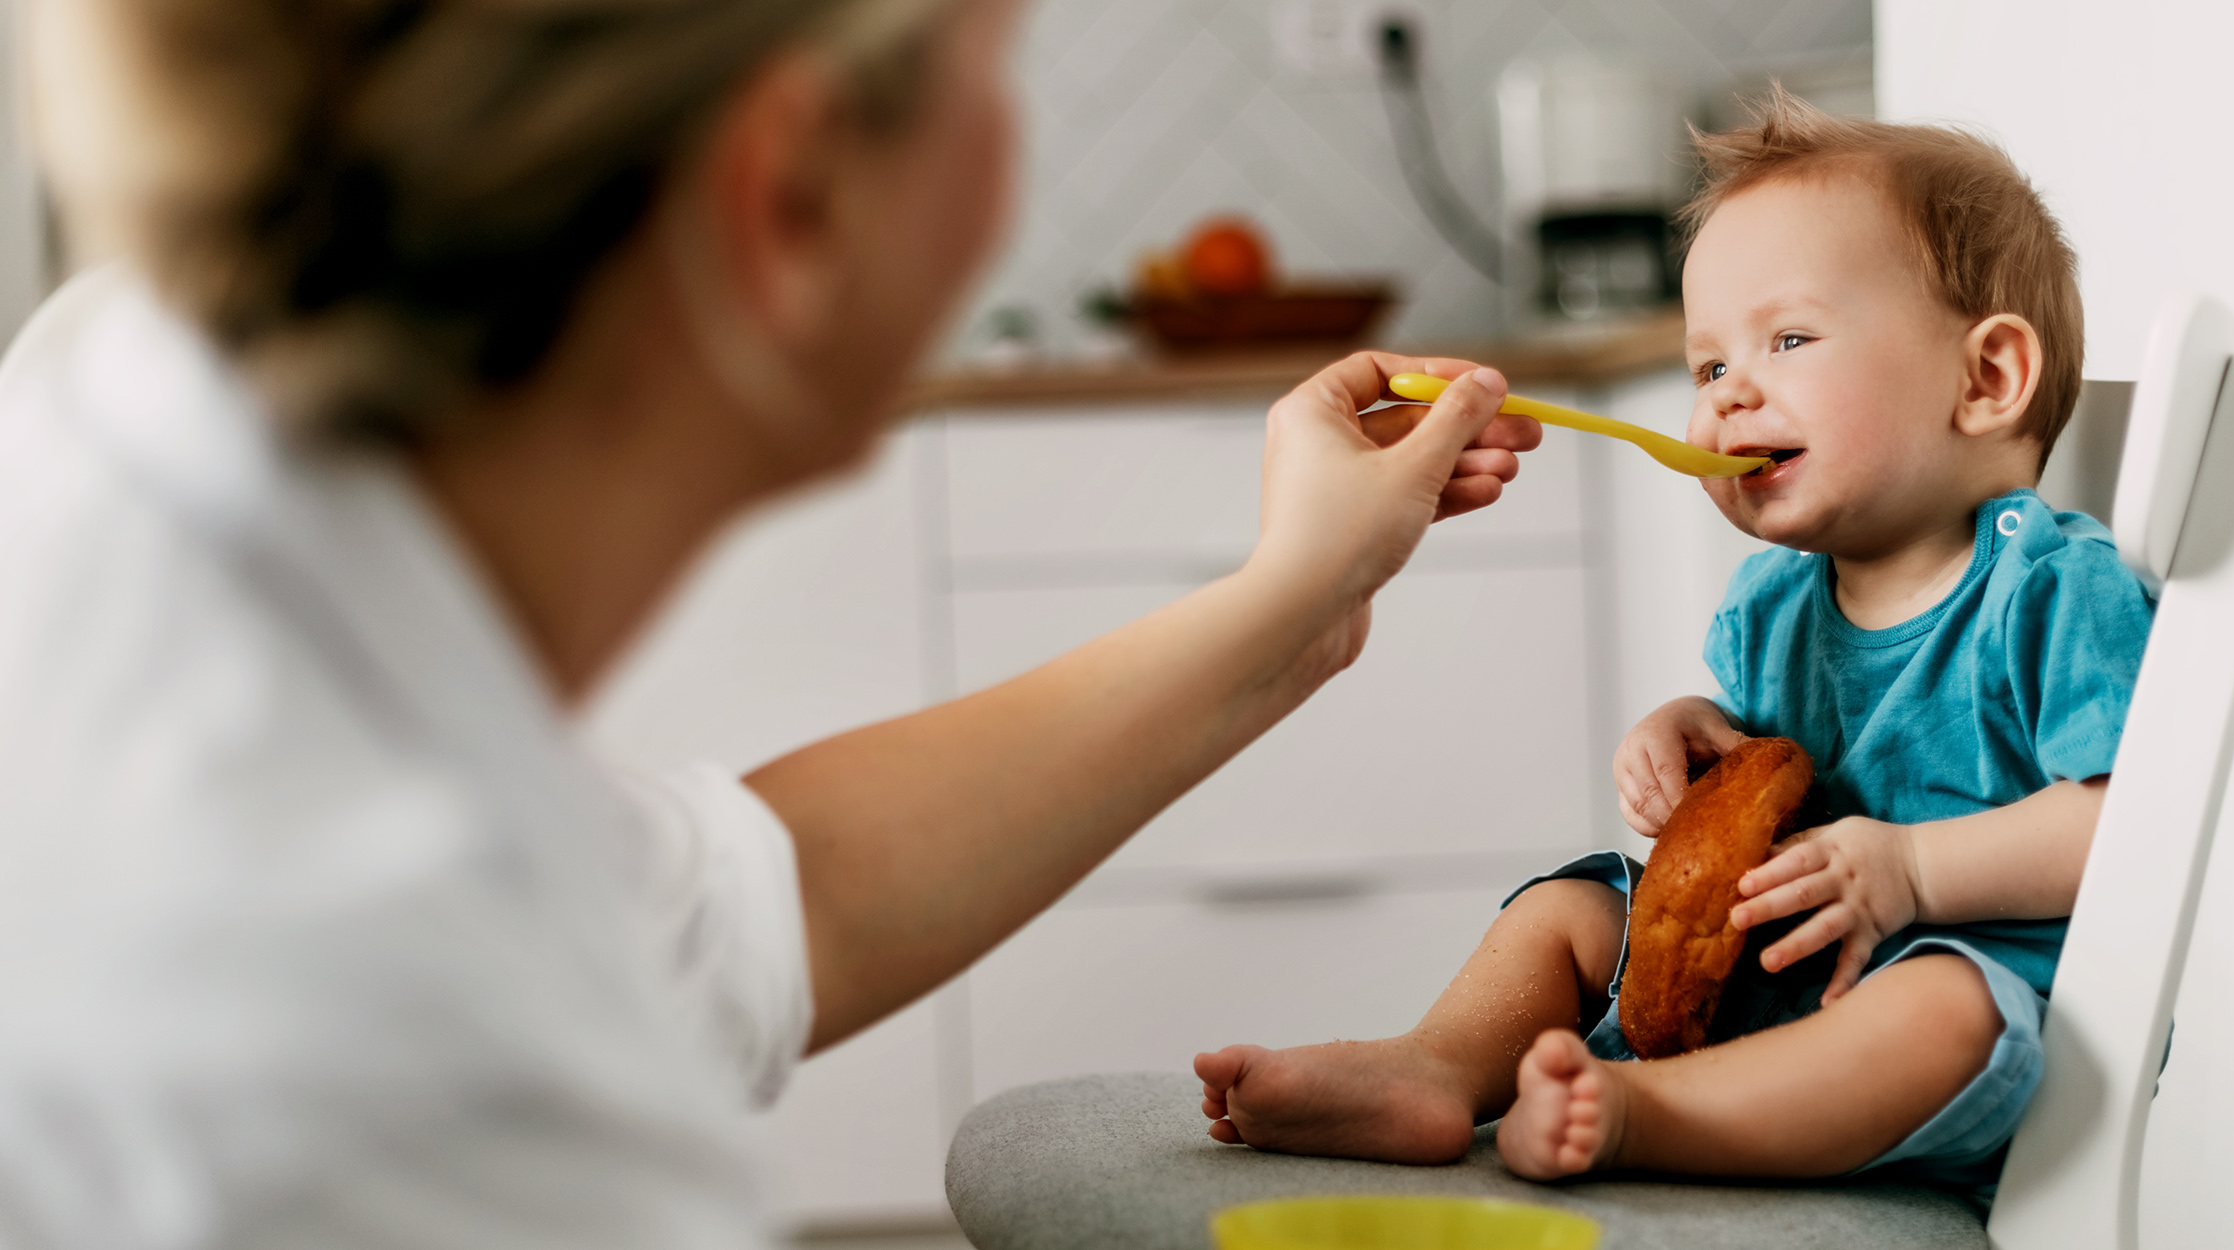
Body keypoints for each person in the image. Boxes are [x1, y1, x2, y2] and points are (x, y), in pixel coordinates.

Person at [0, 0, 1543, 1242]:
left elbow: (760, 907)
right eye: (995, 66)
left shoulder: (115, 397)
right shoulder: (423, 1077)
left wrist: (1292, 601)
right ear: (790, 193)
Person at [1194, 89, 2154, 1195]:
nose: (1728, 394)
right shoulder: (1773, 603)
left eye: (1787, 339)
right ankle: (1436, 1065)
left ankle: (1642, 1114)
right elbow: (1769, 776)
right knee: (1571, 909)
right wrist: (1691, 733)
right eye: (1707, 368)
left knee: (1943, 1006)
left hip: (1937, 1022)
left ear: (1984, 378)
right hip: (1759, 987)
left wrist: (1914, 868)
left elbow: (2125, 820)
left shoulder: (2048, 588)